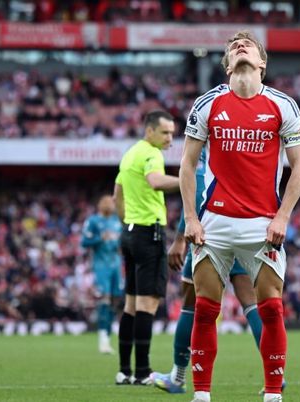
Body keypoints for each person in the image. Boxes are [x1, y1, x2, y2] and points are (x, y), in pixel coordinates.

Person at [180, 31, 300, 402]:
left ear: (262, 63)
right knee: (205, 309)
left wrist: (282, 217)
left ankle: (273, 394)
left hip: (263, 224)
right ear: (226, 65)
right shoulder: (207, 104)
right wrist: (191, 218)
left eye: (247, 45)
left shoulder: (283, 106)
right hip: (214, 223)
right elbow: (187, 164)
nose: (240, 47)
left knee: (271, 309)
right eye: (233, 47)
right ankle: (201, 395)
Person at [151, 147, 267, 395]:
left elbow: (194, 197)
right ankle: (274, 374)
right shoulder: (233, 152)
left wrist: (180, 239)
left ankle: (177, 377)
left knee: (192, 304)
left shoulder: (202, 157)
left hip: (209, 236)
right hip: (241, 231)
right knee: (251, 304)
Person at [113, 110, 180, 385]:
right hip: (148, 234)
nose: (169, 138)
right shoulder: (152, 154)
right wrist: (188, 180)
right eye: (165, 132)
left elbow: (117, 195)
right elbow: (155, 181)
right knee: (147, 305)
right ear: (149, 130)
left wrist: (127, 222)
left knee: (131, 305)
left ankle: (124, 371)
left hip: (130, 233)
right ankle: (142, 372)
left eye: (172, 133)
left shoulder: (130, 153)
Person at [81, 194, 123, 354]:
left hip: (116, 265)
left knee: (115, 300)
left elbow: (121, 242)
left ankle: (108, 335)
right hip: (101, 266)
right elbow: (84, 242)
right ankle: (103, 338)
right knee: (104, 300)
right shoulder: (93, 221)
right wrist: (100, 238)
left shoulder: (116, 221)